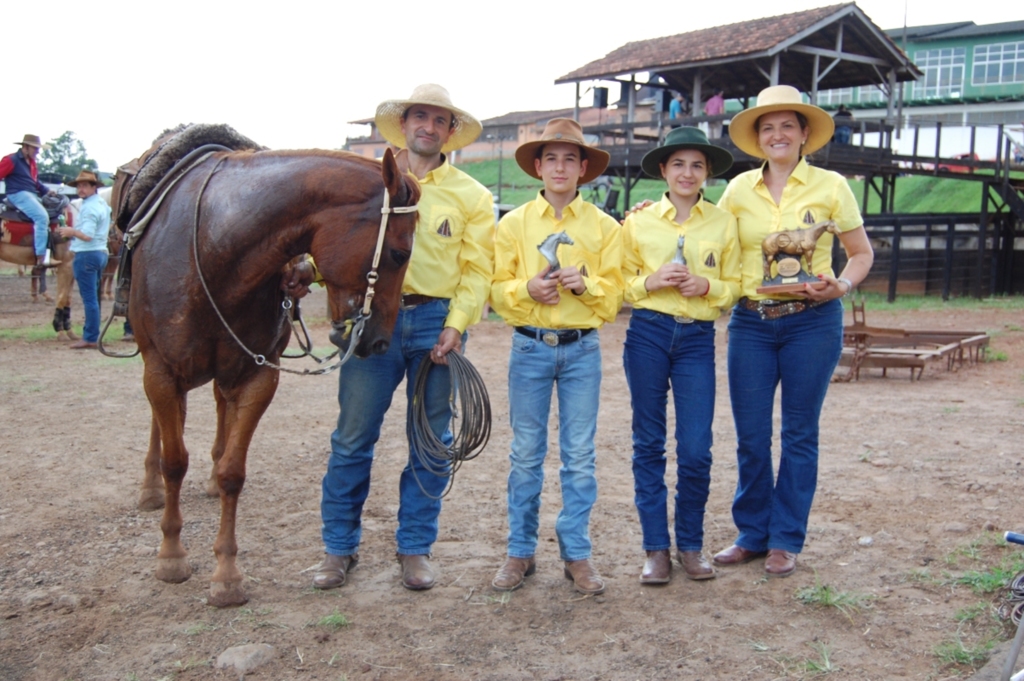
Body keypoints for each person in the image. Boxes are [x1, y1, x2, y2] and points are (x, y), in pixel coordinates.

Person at [312, 84, 495, 592]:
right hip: (375, 320)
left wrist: (456, 326)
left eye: (440, 121)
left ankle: (414, 547)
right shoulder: (367, 186)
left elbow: (478, 270)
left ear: (450, 131)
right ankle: (338, 548)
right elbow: (334, 246)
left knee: (432, 442)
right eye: (421, 117)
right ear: (405, 124)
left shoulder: (472, 197)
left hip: (436, 320)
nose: (429, 127)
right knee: (352, 438)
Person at [713, 85, 874, 578]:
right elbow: (705, 236)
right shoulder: (738, 189)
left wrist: (841, 284)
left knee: (800, 432)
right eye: (768, 127)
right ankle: (752, 533)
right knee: (751, 435)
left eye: (787, 126)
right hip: (752, 324)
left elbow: (862, 253)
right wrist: (647, 218)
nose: (777, 135)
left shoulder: (831, 186)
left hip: (812, 322)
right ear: (758, 138)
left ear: (805, 134)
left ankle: (786, 538)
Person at [489, 118, 624, 595]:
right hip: (529, 347)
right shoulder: (513, 224)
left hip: (581, 350)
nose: (561, 166)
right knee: (525, 454)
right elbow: (496, 290)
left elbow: (613, 298)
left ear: (584, 168)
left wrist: (586, 285)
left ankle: (577, 554)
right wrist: (526, 288)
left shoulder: (605, 227)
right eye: (552, 158)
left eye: (571, 158)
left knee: (579, 455)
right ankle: (520, 551)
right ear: (539, 167)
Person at [620, 127, 740, 584]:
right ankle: (656, 549)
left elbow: (737, 285)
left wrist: (707, 285)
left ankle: (691, 544)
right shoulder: (639, 221)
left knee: (695, 448)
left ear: (707, 173)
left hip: (697, 338)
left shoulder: (723, 223)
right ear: (664, 171)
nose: (686, 173)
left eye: (696, 165)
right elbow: (619, 282)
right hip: (648, 333)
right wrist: (649, 282)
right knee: (648, 443)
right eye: (678, 164)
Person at [58, 170, 110, 350]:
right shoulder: (102, 204)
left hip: (87, 254)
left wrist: (70, 232)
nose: (81, 189)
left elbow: (87, 235)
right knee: (93, 297)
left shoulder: (88, 207)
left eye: (85, 185)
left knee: (89, 298)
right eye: (79, 186)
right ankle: (92, 333)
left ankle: (90, 337)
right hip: (100, 252)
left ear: (94, 187)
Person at [1, 134, 58, 265]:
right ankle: (41, 256)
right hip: (18, 194)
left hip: (32, 194)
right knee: (41, 217)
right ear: (25, 147)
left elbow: (35, 182)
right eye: (35, 148)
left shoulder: (32, 163)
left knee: (53, 211)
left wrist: (47, 191)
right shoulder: (11, 160)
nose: (37, 152)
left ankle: (52, 249)